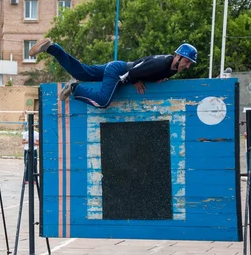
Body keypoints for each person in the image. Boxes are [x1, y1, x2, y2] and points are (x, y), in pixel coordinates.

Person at [28, 39, 197, 108]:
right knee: (103, 102)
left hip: (118, 66)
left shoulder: (171, 66)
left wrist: (158, 77)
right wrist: (134, 80)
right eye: (187, 61)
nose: (188, 66)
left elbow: (145, 65)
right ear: (179, 56)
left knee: (81, 71)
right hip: (120, 71)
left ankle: (51, 48)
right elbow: (134, 71)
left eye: (189, 63)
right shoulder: (162, 64)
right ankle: (74, 88)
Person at [22, 117, 39, 184]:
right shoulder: (25, 133)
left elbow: (38, 143)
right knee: (27, 164)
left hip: (34, 149)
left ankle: (34, 179)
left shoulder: (36, 133)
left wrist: (33, 142)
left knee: (34, 164)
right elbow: (23, 142)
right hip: (27, 150)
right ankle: (26, 179)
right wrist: (27, 141)